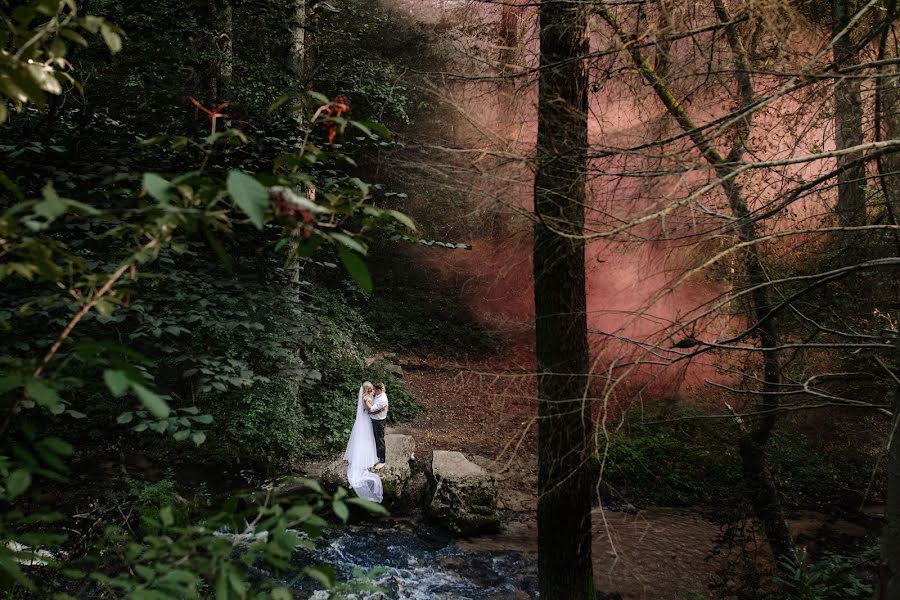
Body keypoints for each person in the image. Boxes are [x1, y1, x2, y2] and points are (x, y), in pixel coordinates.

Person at [343, 381, 383, 502]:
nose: (371, 390)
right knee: (365, 438)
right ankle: (364, 457)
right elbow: (369, 410)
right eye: (369, 388)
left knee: (369, 438)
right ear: (366, 389)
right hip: (365, 420)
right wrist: (380, 410)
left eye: (372, 388)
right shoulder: (365, 398)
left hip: (368, 420)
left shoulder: (370, 396)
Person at [365, 382, 388, 470]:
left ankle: (382, 460)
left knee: (379, 440)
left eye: (374, 389)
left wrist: (365, 400)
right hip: (375, 419)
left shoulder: (382, 399)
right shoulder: (378, 394)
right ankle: (376, 455)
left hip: (379, 422)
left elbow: (371, 409)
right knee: (374, 438)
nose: (373, 390)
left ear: (379, 390)